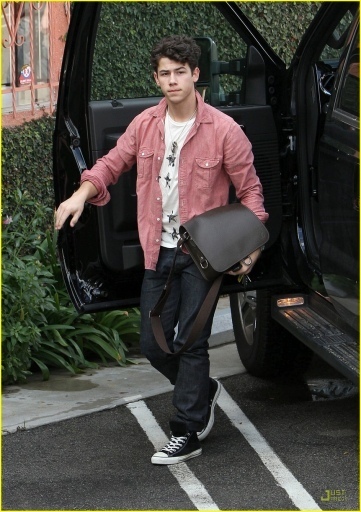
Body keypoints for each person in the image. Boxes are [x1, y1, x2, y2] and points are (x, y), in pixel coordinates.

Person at [55, 35, 269, 465]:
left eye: (180, 72)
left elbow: (252, 197)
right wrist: (80, 195)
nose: (172, 81)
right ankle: (202, 391)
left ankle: (187, 429)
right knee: (154, 345)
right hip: (160, 251)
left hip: (202, 255)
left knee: (191, 342)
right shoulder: (145, 125)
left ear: (195, 75)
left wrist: (252, 248)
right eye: (164, 74)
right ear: (157, 78)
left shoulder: (224, 131)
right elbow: (111, 164)